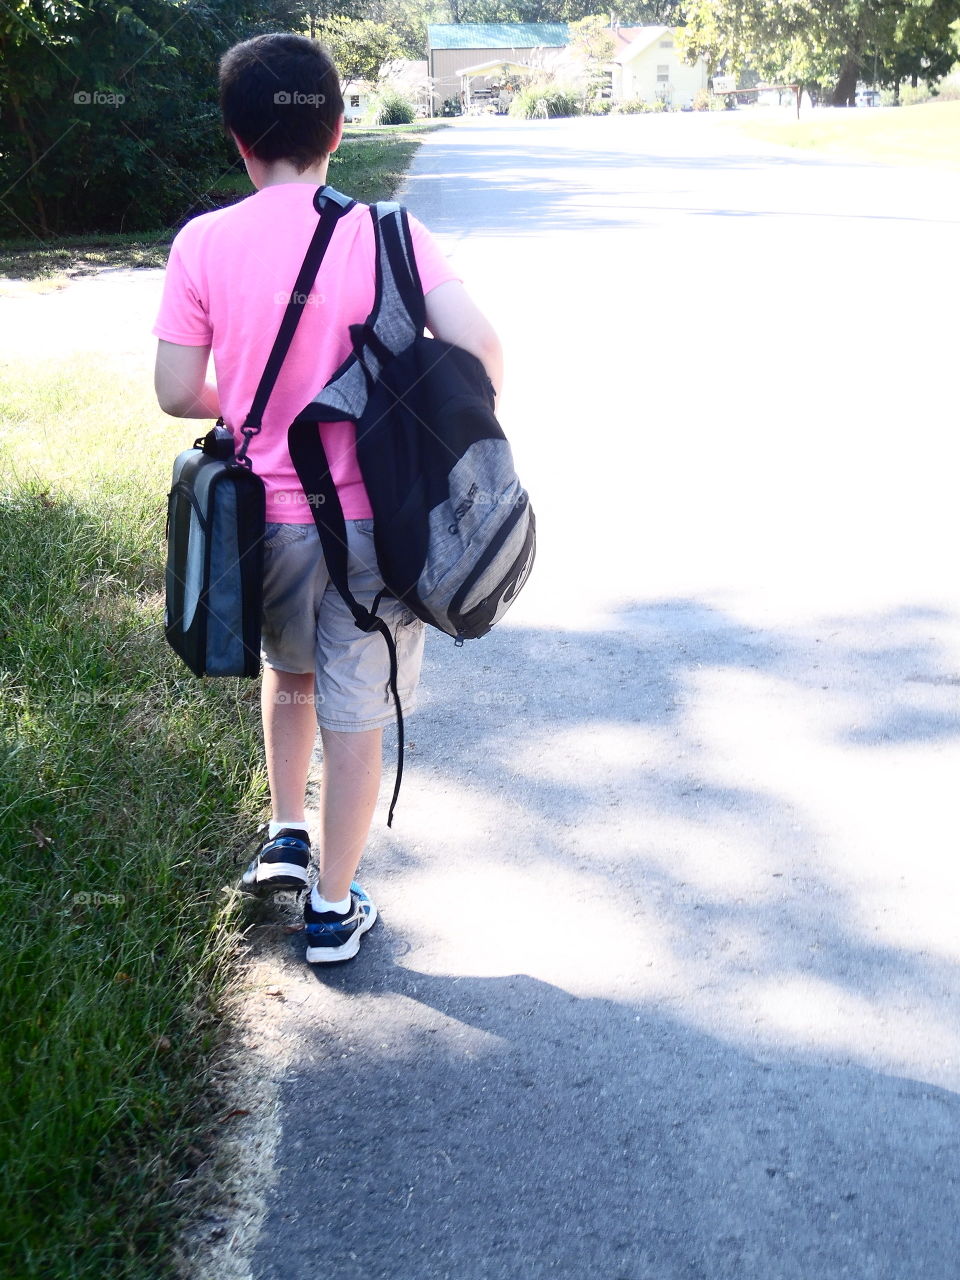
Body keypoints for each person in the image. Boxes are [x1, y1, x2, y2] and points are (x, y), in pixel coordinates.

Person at [153, 33, 502, 964]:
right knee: (360, 712)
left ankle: (284, 832)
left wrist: (258, 412)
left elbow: (178, 391)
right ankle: (332, 907)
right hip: (373, 529)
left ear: (237, 138)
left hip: (259, 524)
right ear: (339, 129)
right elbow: (481, 350)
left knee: (289, 670)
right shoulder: (391, 234)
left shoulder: (202, 242)